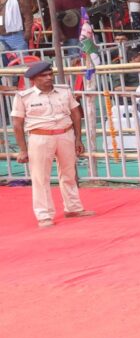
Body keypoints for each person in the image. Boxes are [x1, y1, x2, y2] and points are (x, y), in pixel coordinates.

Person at [13, 62, 88, 227]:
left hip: (65, 134)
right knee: (40, 177)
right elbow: (17, 124)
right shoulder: (24, 97)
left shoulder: (64, 91)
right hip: (40, 137)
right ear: (34, 79)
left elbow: (76, 114)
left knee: (69, 173)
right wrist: (23, 150)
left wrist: (78, 138)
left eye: (50, 74)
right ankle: (44, 215)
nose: (48, 78)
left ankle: (73, 207)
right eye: (43, 75)